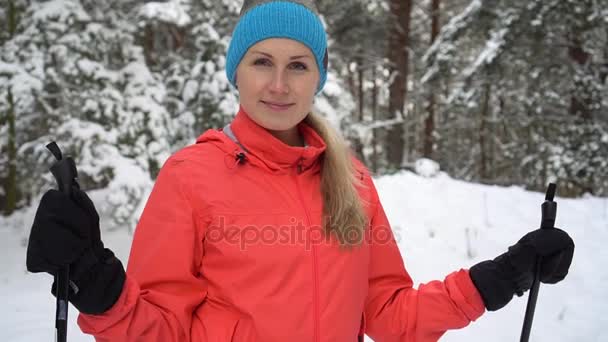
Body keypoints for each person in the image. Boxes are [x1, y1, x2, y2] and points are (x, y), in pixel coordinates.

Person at [25, 0, 575, 341]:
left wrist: (501, 276)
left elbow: (388, 315)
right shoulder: (191, 176)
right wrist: (98, 287)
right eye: (262, 62)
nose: (280, 85)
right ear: (235, 74)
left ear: (319, 79)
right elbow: (161, 328)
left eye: (298, 65)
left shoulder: (352, 180)